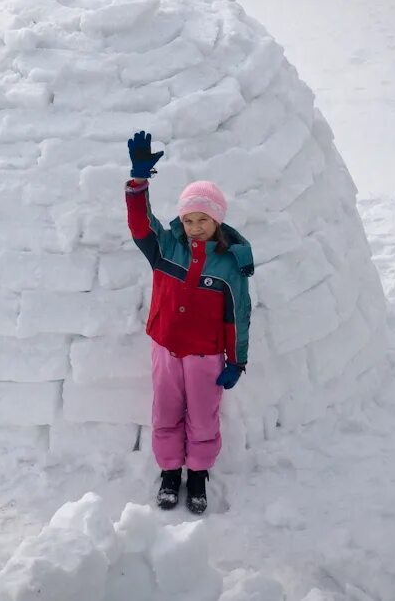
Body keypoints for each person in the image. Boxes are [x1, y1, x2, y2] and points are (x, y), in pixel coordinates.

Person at [124, 130, 254, 514]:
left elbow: (238, 316)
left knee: (202, 416)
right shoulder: (166, 247)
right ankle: (169, 473)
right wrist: (138, 182)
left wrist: (237, 361)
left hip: (207, 356)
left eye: (204, 219)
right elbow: (140, 226)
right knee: (164, 412)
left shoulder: (230, 266)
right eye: (189, 218)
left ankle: (197, 475)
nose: (195, 226)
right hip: (166, 348)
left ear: (217, 221)